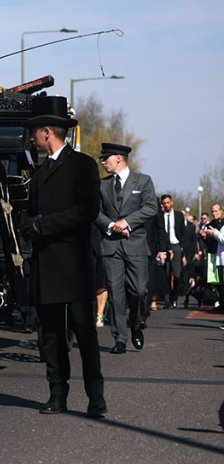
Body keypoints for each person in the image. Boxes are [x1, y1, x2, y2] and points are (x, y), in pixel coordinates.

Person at [19, 96, 106, 418]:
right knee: (52, 337)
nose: (30, 138)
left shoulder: (83, 165)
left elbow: (87, 210)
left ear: (46, 132)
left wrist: (42, 224)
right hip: (46, 264)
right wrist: (26, 223)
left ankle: (95, 396)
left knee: (85, 333)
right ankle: (57, 393)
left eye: (33, 132)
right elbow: (32, 213)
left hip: (75, 264)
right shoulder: (39, 173)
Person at [94, 143, 158, 354]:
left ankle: (136, 324)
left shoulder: (143, 181)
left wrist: (127, 222)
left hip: (136, 245)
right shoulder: (102, 185)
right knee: (115, 293)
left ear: (119, 158)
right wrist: (113, 226)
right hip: (111, 246)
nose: (103, 162)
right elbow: (95, 211)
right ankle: (120, 338)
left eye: (106, 158)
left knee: (139, 291)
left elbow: (150, 207)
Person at [159, 194, 186, 308]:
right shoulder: (159, 216)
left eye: (168, 202)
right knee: (165, 275)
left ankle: (174, 297)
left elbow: (183, 233)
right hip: (164, 247)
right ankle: (167, 300)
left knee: (177, 275)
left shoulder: (179, 215)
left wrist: (183, 253)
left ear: (172, 202)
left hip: (176, 246)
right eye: (164, 203)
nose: (166, 205)